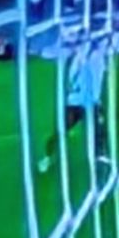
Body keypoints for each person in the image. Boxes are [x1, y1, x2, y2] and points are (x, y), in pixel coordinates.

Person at [39, 40, 109, 174]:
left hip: (92, 103)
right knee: (60, 131)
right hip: (75, 103)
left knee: (100, 131)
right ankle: (47, 157)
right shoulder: (80, 58)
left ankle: (99, 158)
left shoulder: (96, 56)